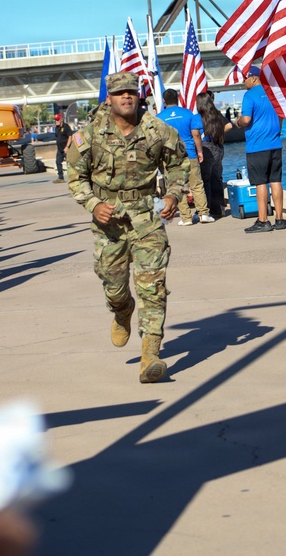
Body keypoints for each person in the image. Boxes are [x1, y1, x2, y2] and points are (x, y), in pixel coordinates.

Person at [66, 72, 188, 383]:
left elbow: (179, 164)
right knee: (114, 285)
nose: (127, 97)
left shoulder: (157, 129)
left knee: (153, 287)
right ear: (109, 98)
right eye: (120, 93)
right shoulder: (90, 134)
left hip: (147, 216)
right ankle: (122, 310)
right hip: (109, 222)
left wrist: (173, 193)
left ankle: (150, 355)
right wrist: (94, 205)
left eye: (131, 91)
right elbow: (76, 176)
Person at [234, 66, 286, 232]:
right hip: (275, 144)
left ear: (254, 78)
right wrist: (276, 131)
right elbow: (281, 116)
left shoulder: (249, 95)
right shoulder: (273, 94)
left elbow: (246, 119)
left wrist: (238, 122)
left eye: (245, 77)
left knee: (260, 183)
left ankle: (263, 220)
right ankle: (280, 219)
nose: (243, 81)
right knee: (276, 181)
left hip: (257, 146)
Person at [157, 89, 213, 225]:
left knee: (177, 187)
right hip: (189, 153)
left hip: (170, 157)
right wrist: (199, 151)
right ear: (178, 98)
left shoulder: (158, 118)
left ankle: (186, 218)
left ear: (164, 101)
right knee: (197, 184)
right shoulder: (188, 113)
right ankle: (203, 214)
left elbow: (156, 140)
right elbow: (196, 134)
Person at [195, 91, 230, 219]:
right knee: (217, 178)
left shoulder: (198, 117)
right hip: (218, 147)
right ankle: (219, 209)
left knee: (205, 180)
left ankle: (206, 209)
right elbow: (229, 125)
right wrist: (219, 135)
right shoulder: (216, 115)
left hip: (205, 148)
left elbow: (195, 133)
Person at [53, 111, 73, 183]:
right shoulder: (57, 128)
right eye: (55, 120)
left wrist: (67, 146)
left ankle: (72, 178)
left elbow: (70, 137)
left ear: (61, 119)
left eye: (57, 120)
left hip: (66, 148)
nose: (56, 121)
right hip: (60, 149)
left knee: (70, 163)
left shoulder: (66, 127)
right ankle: (60, 177)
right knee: (58, 162)